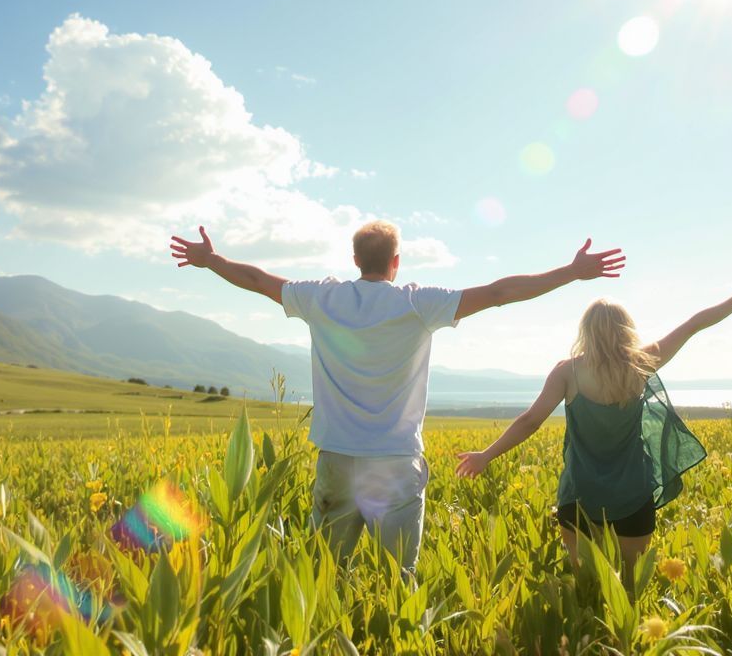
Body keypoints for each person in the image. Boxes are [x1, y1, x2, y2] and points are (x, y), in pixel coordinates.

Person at [170, 220, 624, 572]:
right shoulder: (416, 303)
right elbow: (500, 292)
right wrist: (571, 272)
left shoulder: (321, 299)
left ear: (354, 259)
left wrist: (212, 261)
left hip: (336, 461)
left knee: (326, 575)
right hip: (395, 463)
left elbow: (256, 279)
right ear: (396, 262)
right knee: (397, 580)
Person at [455, 266, 732, 572]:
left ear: (585, 330)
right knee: (629, 587)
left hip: (579, 498)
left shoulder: (567, 372)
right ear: (626, 328)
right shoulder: (641, 363)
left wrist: (486, 455)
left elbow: (530, 421)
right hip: (633, 496)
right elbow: (694, 324)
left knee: (584, 588)